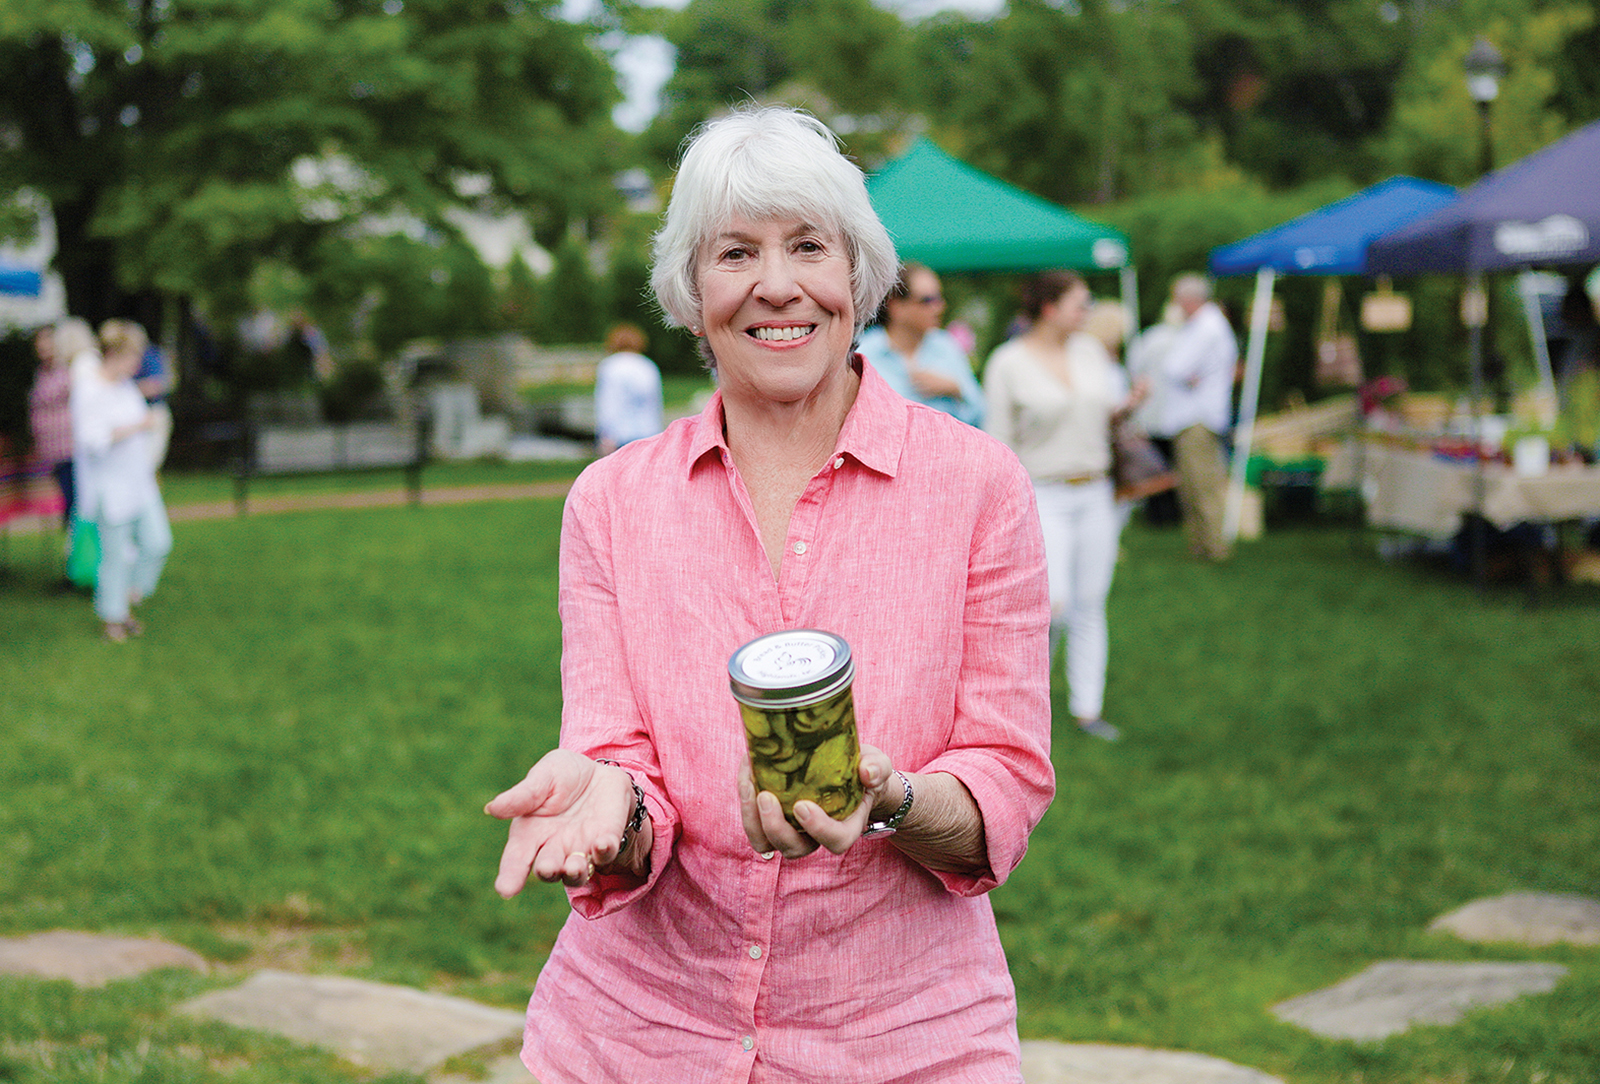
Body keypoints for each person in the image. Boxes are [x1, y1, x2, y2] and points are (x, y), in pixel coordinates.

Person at [486, 106, 1054, 1084]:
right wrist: (608, 810)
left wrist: (890, 800)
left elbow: (1004, 775)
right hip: (633, 1040)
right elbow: (621, 760)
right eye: (735, 252)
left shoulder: (978, 486)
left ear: (857, 274)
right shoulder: (612, 502)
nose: (777, 284)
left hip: (904, 1042)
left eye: (807, 246)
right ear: (690, 290)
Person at [983, 272, 1144, 742]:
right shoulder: (1008, 362)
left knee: (1092, 601)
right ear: (1049, 308)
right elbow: (998, 440)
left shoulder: (1090, 353)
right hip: (1042, 493)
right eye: (1080, 303)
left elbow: (1098, 414)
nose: (1088, 312)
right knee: (1053, 606)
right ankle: (1025, 700)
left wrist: (1129, 407)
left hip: (1095, 489)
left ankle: (1087, 709)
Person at [74, 320, 172, 641]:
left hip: (139, 482)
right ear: (115, 353)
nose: (138, 362)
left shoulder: (126, 386)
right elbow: (93, 440)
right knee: (114, 555)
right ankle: (114, 618)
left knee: (158, 542)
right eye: (133, 355)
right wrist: (139, 426)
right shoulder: (89, 389)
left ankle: (131, 593)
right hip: (110, 486)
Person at [1145, 274, 1238, 561]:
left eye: (1177, 298)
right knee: (1192, 485)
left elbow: (1174, 367)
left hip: (1197, 418)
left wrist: (1186, 375)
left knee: (1203, 485)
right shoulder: (1205, 324)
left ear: (1189, 299)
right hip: (1193, 416)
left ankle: (1214, 547)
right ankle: (1201, 546)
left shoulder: (1206, 326)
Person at [856, 261, 985, 425]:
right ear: (896, 306)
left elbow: (981, 415)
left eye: (939, 298)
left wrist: (955, 390)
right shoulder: (864, 352)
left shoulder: (946, 346)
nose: (939, 307)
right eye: (927, 300)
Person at [27, 324, 74, 532]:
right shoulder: (40, 372)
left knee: (73, 504)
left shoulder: (67, 368)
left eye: (47, 340)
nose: (42, 346)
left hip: (69, 449)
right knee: (65, 502)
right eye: (39, 341)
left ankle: (80, 553)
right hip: (50, 452)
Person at [592, 322, 664, 454]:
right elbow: (655, 403)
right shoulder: (648, 365)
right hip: (649, 432)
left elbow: (608, 403)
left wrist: (606, 434)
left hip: (620, 435)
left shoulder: (610, 366)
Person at [132, 334, 174, 470]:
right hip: (134, 413)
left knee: (150, 463)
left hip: (153, 410)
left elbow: (156, 385)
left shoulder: (150, 354)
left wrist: (127, 389)